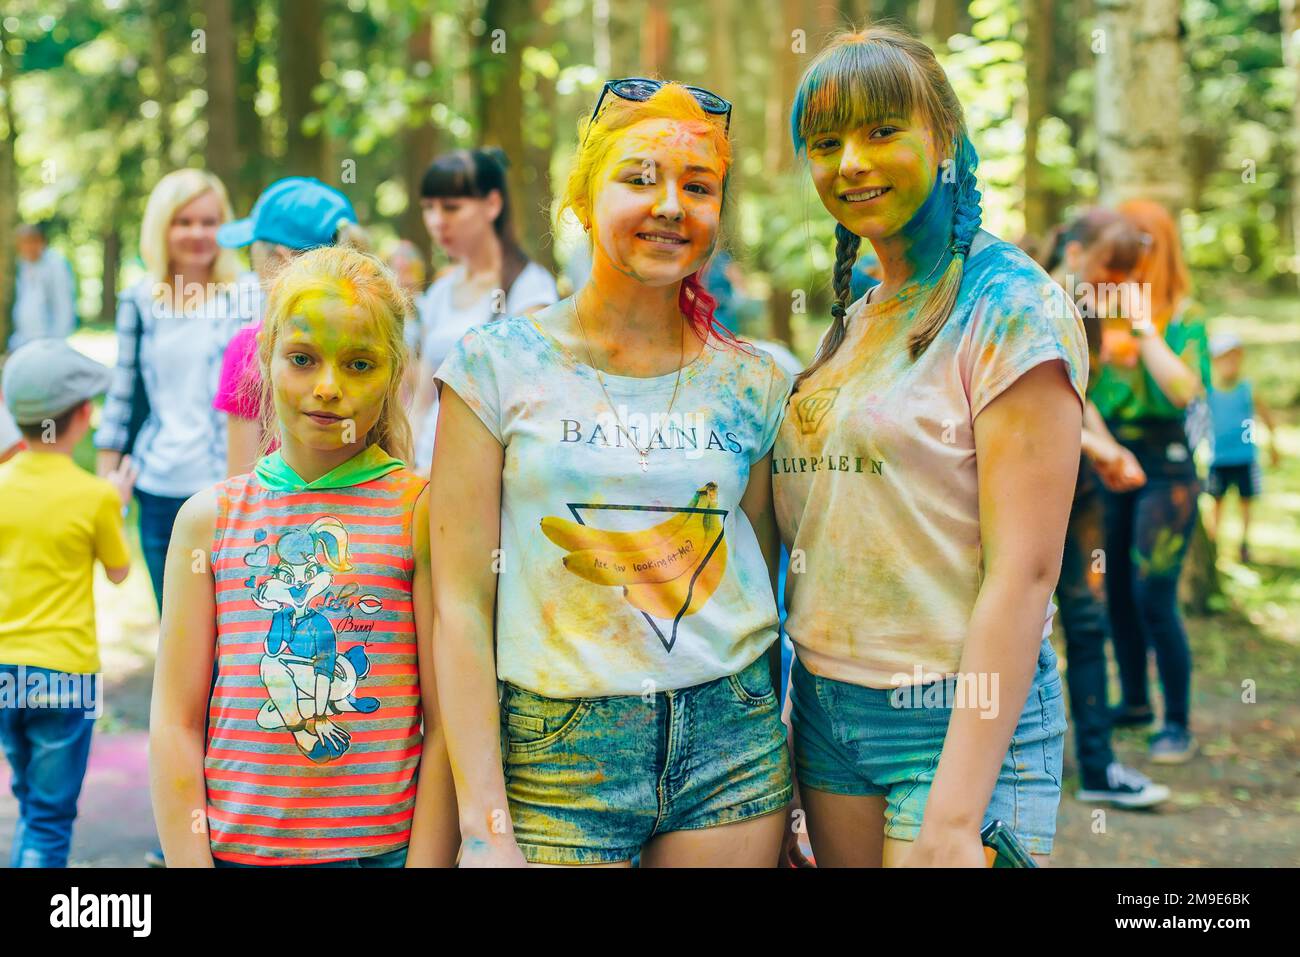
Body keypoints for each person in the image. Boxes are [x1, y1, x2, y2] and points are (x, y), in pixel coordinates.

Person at [432, 79, 793, 867]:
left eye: (698, 187)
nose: (671, 205)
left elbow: (763, 568)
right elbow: (458, 603)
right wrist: (483, 826)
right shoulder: (491, 367)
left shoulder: (756, 382)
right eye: (639, 178)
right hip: (557, 754)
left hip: (730, 740)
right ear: (584, 197)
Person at [775, 26, 1088, 867]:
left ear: (945, 139)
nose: (851, 163)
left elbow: (1024, 573)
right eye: (825, 142)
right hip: (828, 716)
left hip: (957, 718)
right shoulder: (860, 314)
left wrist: (954, 816)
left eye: (882, 132)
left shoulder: (1012, 307)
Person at [149, 246, 457, 867]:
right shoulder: (208, 522)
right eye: (302, 359)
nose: (327, 387)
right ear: (264, 360)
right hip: (238, 855)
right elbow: (175, 723)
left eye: (359, 363)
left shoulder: (419, 514)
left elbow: (447, 722)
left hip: (380, 856)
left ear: (394, 375)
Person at [1042, 209, 1171, 808]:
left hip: (1075, 487)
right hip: (1017, 488)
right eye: (1110, 271)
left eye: (1126, 276)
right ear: (1074, 253)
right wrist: (1097, 442)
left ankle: (1097, 766)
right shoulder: (1024, 299)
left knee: (1085, 619)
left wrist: (1104, 445)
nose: (1117, 286)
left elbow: (1077, 393)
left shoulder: (1085, 310)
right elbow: (1032, 397)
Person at [94, 169, 258, 615]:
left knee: (231, 632)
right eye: (184, 221)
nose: (198, 233)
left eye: (209, 221)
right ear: (161, 227)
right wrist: (105, 495)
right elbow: (123, 396)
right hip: (159, 489)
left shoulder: (250, 294)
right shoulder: (139, 300)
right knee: (175, 628)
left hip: (229, 490)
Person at [0, 340, 134, 867]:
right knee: (51, 821)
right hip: (66, 676)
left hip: (5, 670)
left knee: (32, 804)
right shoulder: (95, 495)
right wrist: (117, 506)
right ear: (83, 414)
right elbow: (121, 574)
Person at [1091, 198, 1209, 764]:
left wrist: (1143, 330)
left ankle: (1177, 722)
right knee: (1113, 590)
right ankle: (1135, 701)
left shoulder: (1182, 313)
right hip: (1113, 456)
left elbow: (1186, 390)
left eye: (1140, 244)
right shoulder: (1097, 304)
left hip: (1168, 464)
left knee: (1152, 593)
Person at [408, 148, 557, 473]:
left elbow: (534, 397)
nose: (436, 220)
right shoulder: (438, 293)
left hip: (489, 475)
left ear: (492, 204)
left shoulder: (530, 288)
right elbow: (421, 400)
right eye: (428, 208)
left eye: (451, 207)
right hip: (425, 471)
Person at [211, 176, 367, 477]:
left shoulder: (250, 347)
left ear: (280, 257)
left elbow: (241, 481)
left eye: (250, 250)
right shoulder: (373, 340)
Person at [1205, 332, 1279, 564]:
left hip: (1245, 456)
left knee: (1246, 501)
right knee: (1216, 502)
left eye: (1235, 358)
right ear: (1215, 362)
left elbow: (1265, 415)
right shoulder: (1209, 392)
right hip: (1218, 459)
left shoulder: (1247, 389)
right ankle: (1213, 542)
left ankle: (1244, 543)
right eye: (1225, 359)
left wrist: (1272, 445)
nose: (1230, 364)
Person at [8, 223, 77, 352]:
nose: (27, 248)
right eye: (23, 243)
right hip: (24, 340)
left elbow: (64, 305)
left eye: (31, 242)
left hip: (49, 341)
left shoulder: (56, 264)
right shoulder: (22, 265)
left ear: (41, 242)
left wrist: (57, 341)